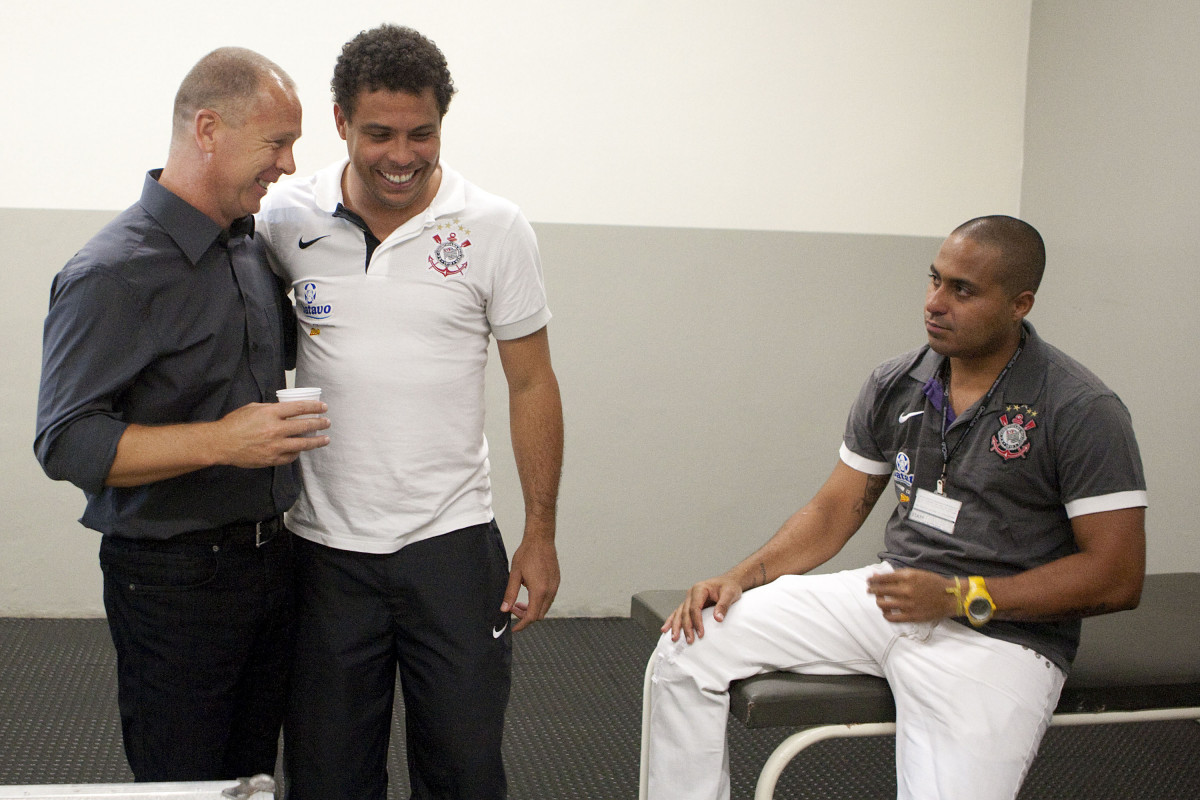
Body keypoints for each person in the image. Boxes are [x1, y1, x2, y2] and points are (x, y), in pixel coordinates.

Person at [646, 216, 1147, 800]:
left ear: (1020, 303)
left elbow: (1116, 576)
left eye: (963, 290)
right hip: (890, 597)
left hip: (1001, 637)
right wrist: (737, 579)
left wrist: (960, 595)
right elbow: (834, 511)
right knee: (689, 644)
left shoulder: (1079, 408)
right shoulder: (897, 383)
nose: (935, 302)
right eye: (934, 280)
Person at [255, 25, 563, 800]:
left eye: (421, 134)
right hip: (324, 551)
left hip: (452, 548)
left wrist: (541, 533)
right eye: (379, 134)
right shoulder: (285, 216)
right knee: (326, 778)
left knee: (463, 773)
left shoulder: (494, 228)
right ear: (339, 123)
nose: (402, 155)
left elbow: (532, 384)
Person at [34, 48, 330, 782]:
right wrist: (223, 442)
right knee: (182, 783)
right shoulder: (110, 272)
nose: (289, 164)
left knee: (251, 779)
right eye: (276, 143)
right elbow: (65, 443)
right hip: (171, 584)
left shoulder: (247, 249)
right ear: (207, 129)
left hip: (271, 564)